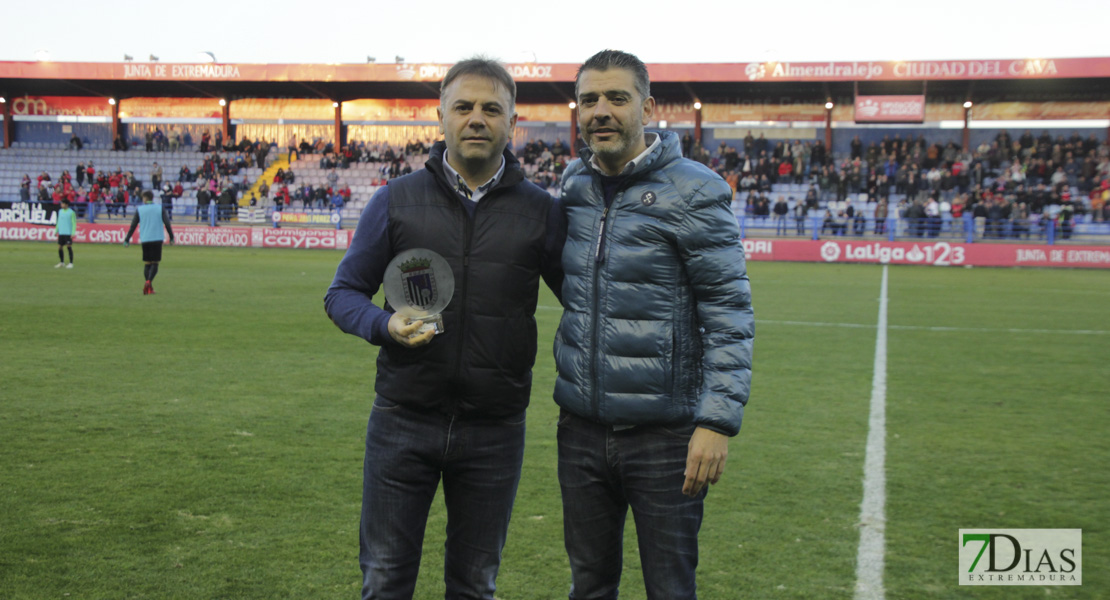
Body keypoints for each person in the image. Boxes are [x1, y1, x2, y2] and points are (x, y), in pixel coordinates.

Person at [324, 57, 565, 600]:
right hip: (402, 421)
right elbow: (341, 295)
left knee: (475, 585)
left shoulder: (542, 212)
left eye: (490, 109)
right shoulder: (395, 200)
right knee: (385, 579)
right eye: (463, 107)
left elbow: (585, 299)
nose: (476, 118)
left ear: (512, 122)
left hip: (495, 430)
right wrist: (385, 324)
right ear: (441, 117)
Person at [554, 50, 754, 600]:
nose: (601, 111)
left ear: (647, 105)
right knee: (589, 585)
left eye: (616, 98)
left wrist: (716, 421)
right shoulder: (575, 185)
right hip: (581, 429)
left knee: (670, 588)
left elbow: (729, 313)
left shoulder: (695, 189)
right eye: (589, 99)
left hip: (666, 437)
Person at [123, 190, 175, 295]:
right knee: (155, 263)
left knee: (147, 263)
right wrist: (172, 237)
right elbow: (167, 223)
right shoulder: (160, 208)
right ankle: (148, 282)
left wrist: (127, 239)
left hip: (145, 238)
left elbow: (133, 225)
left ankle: (149, 288)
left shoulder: (140, 209)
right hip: (157, 238)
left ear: (144, 198)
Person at [55, 199, 77, 269]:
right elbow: (58, 221)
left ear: (66, 204)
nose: (61, 205)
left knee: (68, 246)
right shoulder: (60, 211)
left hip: (68, 233)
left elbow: (74, 223)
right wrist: (56, 230)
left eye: (63, 204)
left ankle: (71, 263)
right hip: (61, 232)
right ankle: (62, 262)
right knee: (60, 247)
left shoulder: (71, 212)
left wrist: (73, 232)